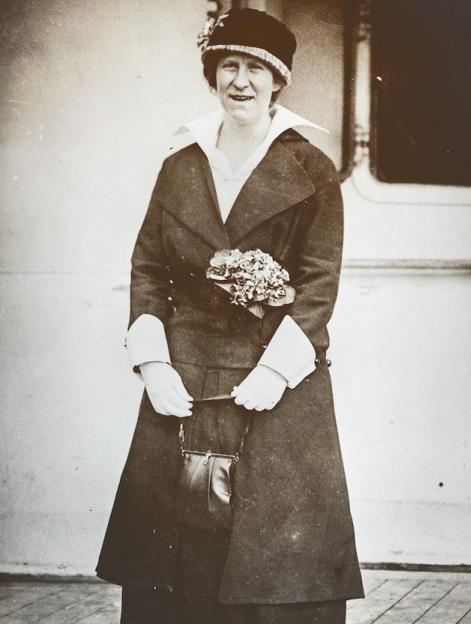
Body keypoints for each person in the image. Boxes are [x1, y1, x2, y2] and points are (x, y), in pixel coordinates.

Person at [96, 8, 364, 623]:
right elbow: (148, 270)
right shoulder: (180, 164)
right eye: (227, 66)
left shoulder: (312, 169)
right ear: (212, 75)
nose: (239, 82)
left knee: (274, 564)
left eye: (255, 69)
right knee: (169, 568)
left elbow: (320, 283)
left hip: (275, 378)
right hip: (184, 374)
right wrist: (153, 363)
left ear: (278, 81)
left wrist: (275, 373)